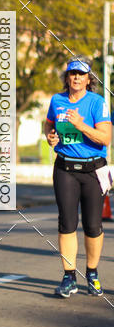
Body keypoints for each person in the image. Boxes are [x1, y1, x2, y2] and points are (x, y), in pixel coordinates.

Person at [44, 58, 111, 298]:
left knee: (93, 225)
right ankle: (69, 276)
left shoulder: (97, 102)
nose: (76, 78)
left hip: (93, 170)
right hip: (65, 168)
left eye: (81, 74)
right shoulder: (57, 100)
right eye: (72, 73)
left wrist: (81, 126)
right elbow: (48, 124)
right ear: (67, 77)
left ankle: (92, 273)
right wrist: (50, 137)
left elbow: (105, 138)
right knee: (67, 223)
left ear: (88, 79)